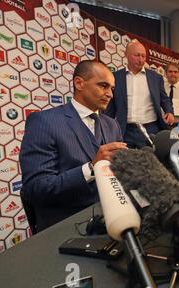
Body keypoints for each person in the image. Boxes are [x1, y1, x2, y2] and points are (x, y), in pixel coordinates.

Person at [20, 61, 126, 232]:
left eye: (112, 89)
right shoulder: (45, 122)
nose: (110, 94)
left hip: (113, 219)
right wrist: (91, 168)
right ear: (79, 83)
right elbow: (36, 189)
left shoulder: (112, 125)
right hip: (66, 226)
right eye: (103, 86)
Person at [105, 40, 175, 148]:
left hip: (151, 129)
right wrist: (106, 127)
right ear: (126, 55)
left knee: (152, 162)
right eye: (137, 55)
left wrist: (169, 112)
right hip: (125, 130)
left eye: (143, 56)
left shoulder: (156, 78)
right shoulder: (116, 77)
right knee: (127, 162)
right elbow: (110, 107)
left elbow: (164, 99)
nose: (141, 59)